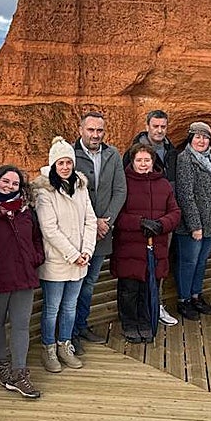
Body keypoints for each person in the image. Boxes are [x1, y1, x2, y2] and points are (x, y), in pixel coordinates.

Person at [0, 164, 45, 399]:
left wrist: (36, 258)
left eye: (15, 183)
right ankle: (2, 365)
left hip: (24, 275)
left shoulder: (25, 210)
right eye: (5, 181)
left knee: (21, 325)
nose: (10, 186)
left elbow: (36, 237)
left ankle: (19, 373)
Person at [33, 136, 97, 372]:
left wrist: (87, 251)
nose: (65, 167)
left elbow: (90, 220)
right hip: (57, 260)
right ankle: (48, 348)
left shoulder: (80, 187)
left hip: (81, 259)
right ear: (53, 164)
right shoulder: (44, 191)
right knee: (52, 308)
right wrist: (73, 254)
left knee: (70, 307)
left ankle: (64, 345)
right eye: (60, 163)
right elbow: (49, 229)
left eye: (68, 162)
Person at [111, 143, 182, 341]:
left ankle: (144, 322)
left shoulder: (164, 184)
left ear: (153, 162)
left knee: (148, 289)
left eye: (147, 160)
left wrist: (161, 224)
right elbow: (117, 214)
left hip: (155, 247)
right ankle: (129, 323)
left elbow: (175, 212)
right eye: (139, 160)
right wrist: (139, 223)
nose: (143, 164)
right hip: (129, 246)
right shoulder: (123, 183)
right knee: (129, 289)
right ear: (132, 162)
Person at [72, 113, 127, 348]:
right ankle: (67, 332)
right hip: (77, 233)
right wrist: (93, 223)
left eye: (99, 131)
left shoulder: (113, 154)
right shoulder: (70, 155)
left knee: (90, 282)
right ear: (81, 129)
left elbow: (120, 190)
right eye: (91, 130)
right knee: (74, 284)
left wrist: (107, 221)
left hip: (103, 232)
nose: (95, 135)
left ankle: (81, 326)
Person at [173, 121, 211, 320]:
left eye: (205, 137)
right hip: (192, 225)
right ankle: (184, 300)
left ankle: (196, 296)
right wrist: (195, 225)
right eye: (198, 136)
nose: (201, 140)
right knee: (189, 262)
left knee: (201, 262)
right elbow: (185, 195)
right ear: (191, 138)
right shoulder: (185, 159)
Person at [130, 109, 178, 183]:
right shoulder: (133, 152)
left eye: (163, 127)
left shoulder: (172, 152)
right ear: (147, 127)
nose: (159, 131)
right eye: (155, 126)